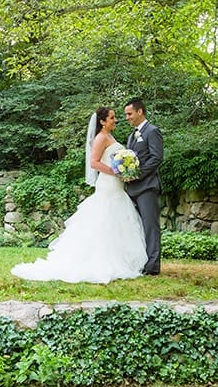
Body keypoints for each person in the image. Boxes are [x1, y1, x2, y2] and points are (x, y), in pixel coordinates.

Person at [10, 106, 147, 284]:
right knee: (105, 220)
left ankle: (121, 259)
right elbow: (94, 163)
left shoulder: (110, 136)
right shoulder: (100, 138)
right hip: (108, 185)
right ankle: (101, 261)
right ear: (102, 121)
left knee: (118, 221)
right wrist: (116, 172)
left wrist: (125, 170)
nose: (116, 120)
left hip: (117, 186)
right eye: (112, 118)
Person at [124, 99, 163, 275]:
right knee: (137, 227)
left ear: (140, 112)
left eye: (129, 114)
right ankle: (140, 263)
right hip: (132, 188)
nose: (127, 118)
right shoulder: (132, 136)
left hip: (147, 187)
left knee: (150, 227)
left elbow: (156, 158)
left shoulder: (152, 131)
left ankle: (153, 267)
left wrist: (136, 174)